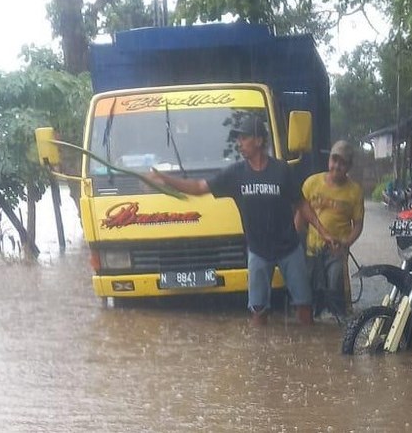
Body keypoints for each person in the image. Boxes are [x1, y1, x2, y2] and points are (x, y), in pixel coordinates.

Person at [148, 114, 335, 326]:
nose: (239, 143)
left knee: (304, 307)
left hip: (289, 249)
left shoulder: (282, 170)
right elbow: (199, 188)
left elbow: (302, 204)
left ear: (259, 140)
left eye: (244, 138)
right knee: (257, 311)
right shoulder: (235, 174)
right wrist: (165, 178)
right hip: (257, 251)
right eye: (239, 139)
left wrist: (323, 231)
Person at [299, 140, 364, 321]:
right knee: (308, 296)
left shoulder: (355, 191)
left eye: (342, 162)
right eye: (334, 160)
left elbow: (358, 225)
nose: (337, 166)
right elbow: (300, 214)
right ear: (328, 160)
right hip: (312, 249)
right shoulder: (311, 183)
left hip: (337, 250)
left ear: (349, 166)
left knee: (335, 289)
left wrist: (346, 243)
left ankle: (336, 331)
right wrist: (296, 243)